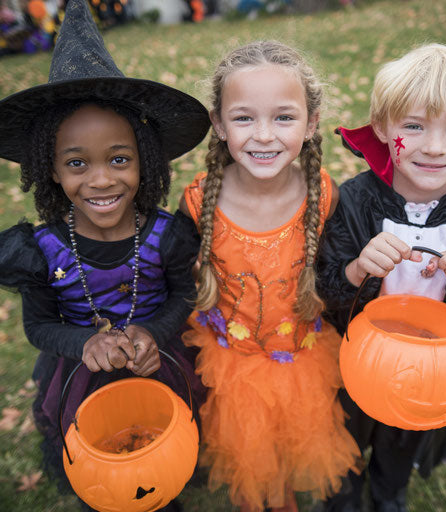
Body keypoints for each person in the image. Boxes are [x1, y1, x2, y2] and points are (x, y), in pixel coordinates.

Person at [0, 0, 210, 510]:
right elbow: (38, 327)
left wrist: (153, 331)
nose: (100, 179)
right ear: (51, 169)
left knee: (162, 453)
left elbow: (185, 293)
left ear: (145, 160)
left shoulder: (168, 235)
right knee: (101, 460)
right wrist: (82, 343)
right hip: (79, 374)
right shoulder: (40, 249)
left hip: (159, 361)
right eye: (77, 163)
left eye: (119, 159)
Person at [316, 43, 446, 512]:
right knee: (344, 436)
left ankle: (389, 493)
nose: (435, 146)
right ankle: (342, 495)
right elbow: (324, 285)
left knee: (402, 439)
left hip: (431, 367)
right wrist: (358, 267)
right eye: (414, 126)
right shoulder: (355, 201)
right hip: (353, 356)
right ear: (383, 128)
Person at [180, 40, 360, 512]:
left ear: (312, 122)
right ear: (219, 125)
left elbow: (335, 275)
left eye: (284, 117)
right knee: (250, 462)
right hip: (232, 363)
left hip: (300, 357)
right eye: (243, 118)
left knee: (295, 449)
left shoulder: (323, 196)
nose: (264, 135)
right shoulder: (199, 204)